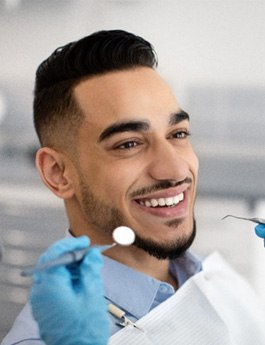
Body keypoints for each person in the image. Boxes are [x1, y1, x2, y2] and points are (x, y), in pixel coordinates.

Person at [2, 30, 265, 345]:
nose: (176, 169)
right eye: (128, 143)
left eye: (178, 133)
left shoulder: (211, 275)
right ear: (58, 173)